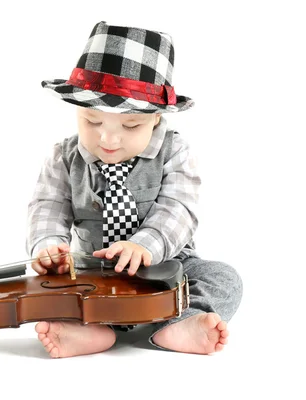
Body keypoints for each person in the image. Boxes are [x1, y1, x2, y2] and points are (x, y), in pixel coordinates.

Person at [26, 21, 243, 358]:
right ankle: (89, 329)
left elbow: (179, 210)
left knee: (223, 278)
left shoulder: (176, 153)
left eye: (130, 125)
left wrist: (145, 245)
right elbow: (48, 205)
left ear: (157, 118)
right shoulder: (63, 156)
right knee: (46, 291)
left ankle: (182, 321)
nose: (108, 139)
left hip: (167, 266)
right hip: (91, 270)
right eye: (92, 122)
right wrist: (49, 247)